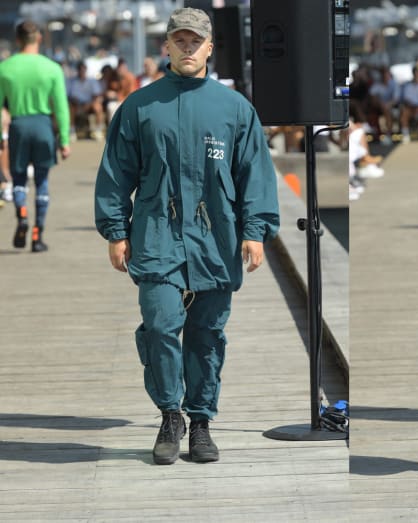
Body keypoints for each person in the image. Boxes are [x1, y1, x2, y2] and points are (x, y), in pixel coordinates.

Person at [94, 7, 280, 466]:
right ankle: (169, 413)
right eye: (180, 40)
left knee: (207, 334)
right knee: (160, 325)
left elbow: (255, 174)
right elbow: (116, 173)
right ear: (167, 47)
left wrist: (255, 231)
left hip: (216, 239)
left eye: (196, 41)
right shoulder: (139, 106)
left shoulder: (236, 109)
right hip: (156, 235)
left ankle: (200, 421)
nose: (188, 47)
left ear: (210, 48)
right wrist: (116, 231)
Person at [0, 20, 71, 252]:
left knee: (18, 179)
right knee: (41, 181)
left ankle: (21, 213)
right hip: (42, 126)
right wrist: (64, 141)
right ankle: (37, 234)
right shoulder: (52, 68)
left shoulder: (4, 68)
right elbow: (61, 108)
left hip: (18, 126)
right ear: (39, 38)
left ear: (17, 40)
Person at [67, 61, 106, 140]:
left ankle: (98, 130)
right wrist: (75, 102)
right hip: (76, 105)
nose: (82, 71)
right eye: (80, 69)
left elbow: (97, 95)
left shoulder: (92, 81)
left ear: (85, 70)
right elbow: (68, 96)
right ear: (77, 70)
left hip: (89, 105)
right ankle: (72, 131)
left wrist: (89, 103)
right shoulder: (71, 82)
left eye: (83, 69)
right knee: (71, 107)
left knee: (97, 106)